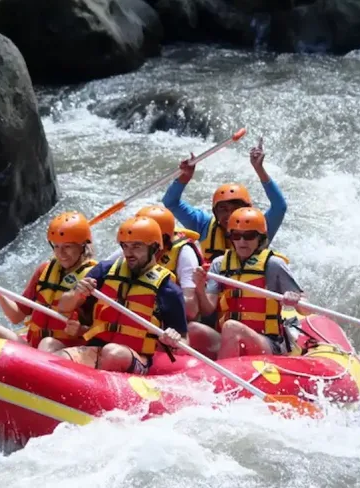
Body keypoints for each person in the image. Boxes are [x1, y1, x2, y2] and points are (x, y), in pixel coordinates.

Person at [54, 216, 188, 374]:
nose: (129, 253)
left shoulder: (169, 291)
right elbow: (63, 307)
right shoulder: (104, 270)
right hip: (96, 349)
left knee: (113, 353)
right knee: (60, 359)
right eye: (125, 246)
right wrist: (77, 293)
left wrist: (174, 339)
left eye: (136, 246)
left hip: (136, 357)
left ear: (154, 247)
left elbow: (185, 342)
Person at [191, 207, 310, 360]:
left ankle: (224, 371)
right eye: (236, 235)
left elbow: (306, 310)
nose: (242, 241)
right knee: (193, 329)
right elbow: (208, 309)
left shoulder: (273, 265)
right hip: (228, 337)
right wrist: (199, 288)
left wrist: (296, 300)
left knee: (232, 327)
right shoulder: (219, 264)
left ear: (260, 238)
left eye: (249, 236)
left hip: (267, 342)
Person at [0, 211, 97, 352]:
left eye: (67, 246)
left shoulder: (94, 277)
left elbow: (104, 332)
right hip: (34, 348)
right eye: (56, 246)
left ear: (83, 245)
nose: (61, 254)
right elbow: (17, 316)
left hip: (67, 352)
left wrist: (80, 330)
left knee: (47, 344)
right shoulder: (44, 270)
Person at [161, 137, 287, 263]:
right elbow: (170, 202)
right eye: (223, 209)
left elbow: (279, 206)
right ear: (215, 212)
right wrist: (185, 176)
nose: (229, 215)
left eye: (235, 209)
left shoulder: (260, 227)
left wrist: (259, 169)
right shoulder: (203, 225)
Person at [131, 205, 202, 319]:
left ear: (162, 238)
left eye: (144, 236)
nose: (135, 244)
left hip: (169, 319)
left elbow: (191, 308)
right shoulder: (131, 246)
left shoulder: (185, 253)